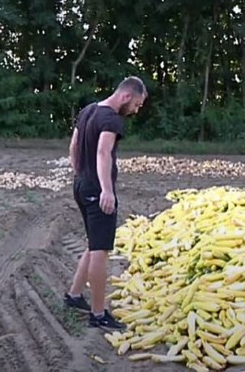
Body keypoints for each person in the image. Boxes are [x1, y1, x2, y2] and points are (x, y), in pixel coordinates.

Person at [63, 76, 147, 330]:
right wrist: (106, 190)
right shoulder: (112, 119)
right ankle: (98, 314)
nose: (136, 110)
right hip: (96, 189)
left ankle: (74, 296)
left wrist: (79, 172)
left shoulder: (89, 110)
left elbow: (74, 145)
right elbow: (102, 152)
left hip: (81, 185)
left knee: (93, 242)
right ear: (125, 96)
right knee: (101, 249)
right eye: (137, 104)